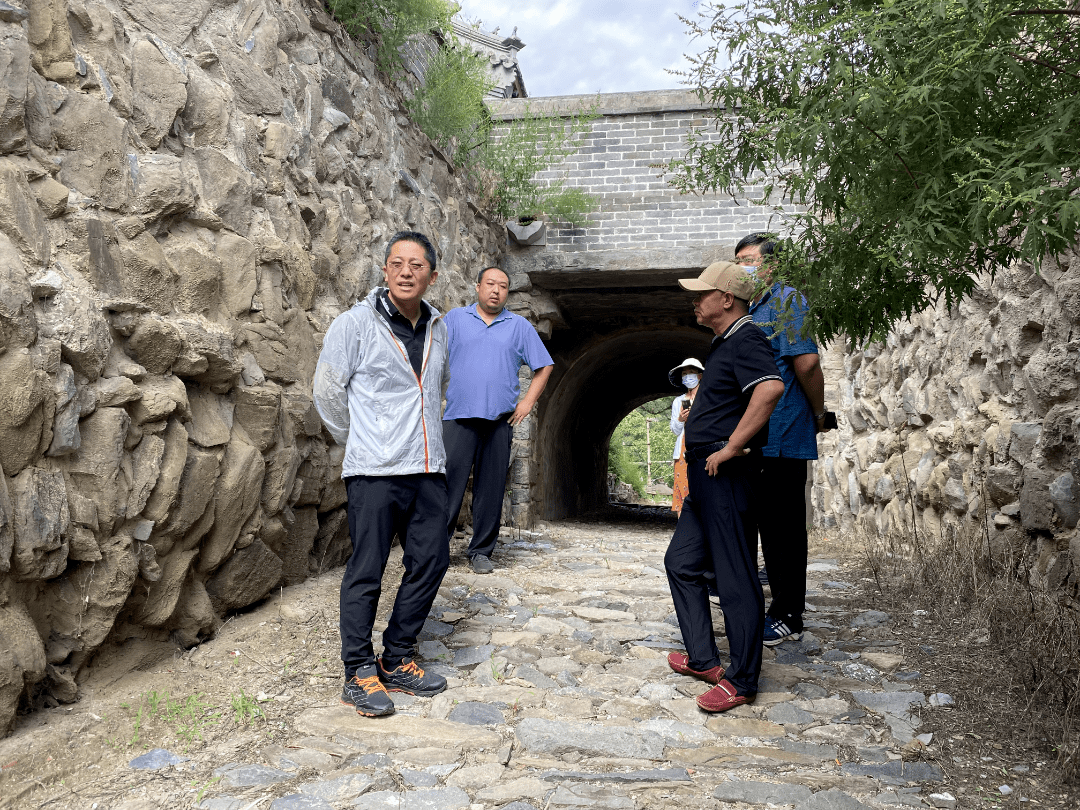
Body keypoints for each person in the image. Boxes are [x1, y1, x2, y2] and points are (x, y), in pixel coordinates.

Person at [313, 231, 451, 717]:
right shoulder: (354, 325)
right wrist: (364, 441)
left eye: (416, 264)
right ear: (386, 271)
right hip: (374, 470)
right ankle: (357, 669)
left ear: (432, 275)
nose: (406, 271)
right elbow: (328, 393)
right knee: (367, 568)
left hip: (429, 466)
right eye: (397, 263)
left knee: (432, 560)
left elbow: (435, 390)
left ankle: (396, 656)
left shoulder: (439, 327)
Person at [663, 261, 784, 713]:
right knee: (681, 562)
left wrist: (732, 447)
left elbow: (769, 389)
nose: (695, 301)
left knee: (734, 574)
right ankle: (703, 658)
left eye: (702, 293)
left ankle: (743, 680)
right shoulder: (725, 344)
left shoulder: (748, 336)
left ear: (727, 299)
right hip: (704, 474)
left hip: (725, 472)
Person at [735, 233, 829, 647]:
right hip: (757, 434)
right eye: (737, 261)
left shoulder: (788, 300)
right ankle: (762, 595)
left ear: (771, 266)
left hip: (784, 428)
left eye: (749, 260)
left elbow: (806, 363)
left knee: (784, 527)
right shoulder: (749, 308)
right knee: (761, 519)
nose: (742, 268)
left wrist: (818, 412)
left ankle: (789, 612)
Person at [443, 266, 554, 574]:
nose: (496, 290)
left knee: (490, 489)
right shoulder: (454, 320)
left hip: (498, 422)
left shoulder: (519, 327)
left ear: (507, 292)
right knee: (447, 487)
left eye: (503, 286)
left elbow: (544, 366)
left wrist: (527, 402)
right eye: (490, 284)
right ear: (478, 286)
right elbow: (431, 356)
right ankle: (437, 548)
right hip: (458, 418)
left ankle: (480, 551)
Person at [668, 358, 704, 516]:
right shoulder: (678, 401)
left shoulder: (706, 398)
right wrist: (680, 420)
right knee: (681, 490)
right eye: (684, 374)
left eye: (691, 373)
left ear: (699, 376)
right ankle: (683, 528)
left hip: (702, 448)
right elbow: (675, 430)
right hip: (682, 451)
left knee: (702, 488)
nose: (688, 376)